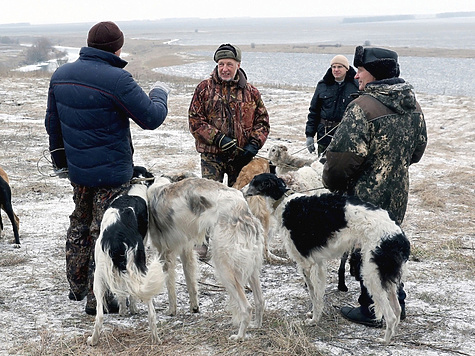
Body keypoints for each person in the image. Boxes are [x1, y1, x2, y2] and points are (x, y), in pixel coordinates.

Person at [45, 21, 169, 315]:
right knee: (104, 232)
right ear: (117, 47)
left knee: (79, 225)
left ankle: (76, 285)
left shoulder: (61, 75)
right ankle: (98, 299)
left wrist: (61, 163)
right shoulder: (117, 80)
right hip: (112, 175)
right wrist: (160, 92)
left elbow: (52, 123)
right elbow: (151, 117)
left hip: (79, 172)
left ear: (89, 44)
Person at [322, 46, 427, 327]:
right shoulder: (413, 104)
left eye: (362, 71)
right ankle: (397, 301)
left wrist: (331, 183)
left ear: (376, 74)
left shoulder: (362, 107)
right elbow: (418, 150)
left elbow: (340, 162)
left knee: (367, 249)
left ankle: (372, 308)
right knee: (389, 245)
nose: (357, 77)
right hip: (398, 192)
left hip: (365, 197)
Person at [188, 43, 270, 188]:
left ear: (238, 65)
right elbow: (195, 121)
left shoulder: (252, 92)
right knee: (211, 200)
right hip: (211, 157)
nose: (224, 69)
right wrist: (218, 138)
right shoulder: (203, 89)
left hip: (241, 157)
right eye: (221, 64)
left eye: (229, 64)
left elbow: (262, 122)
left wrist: (254, 144)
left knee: (239, 201)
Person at [305, 55, 359, 156]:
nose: (336, 70)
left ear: (346, 69)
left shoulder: (356, 86)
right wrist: (309, 135)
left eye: (340, 67)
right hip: (324, 135)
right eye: (333, 67)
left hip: (347, 136)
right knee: (322, 168)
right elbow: (314, 112)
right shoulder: (323, 85)